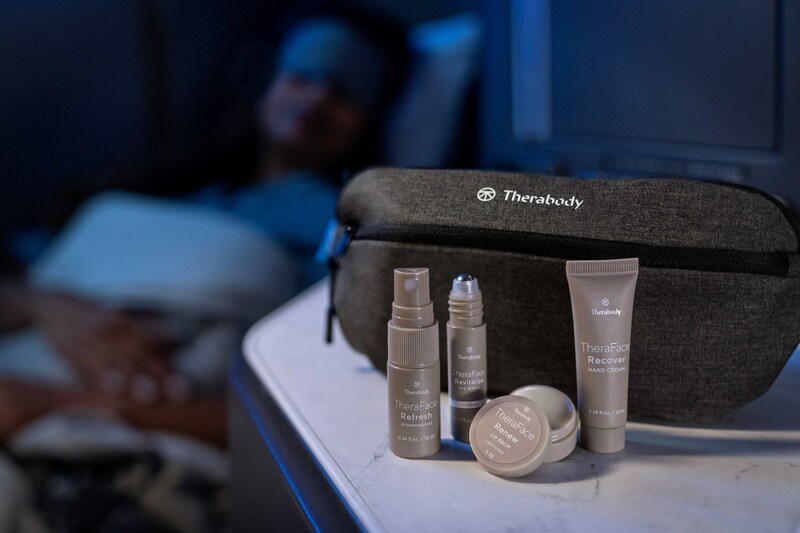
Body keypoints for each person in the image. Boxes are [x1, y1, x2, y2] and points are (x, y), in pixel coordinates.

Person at [0, 10, 407, 447]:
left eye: (344, 92)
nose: (315, 98)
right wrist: (53, 307)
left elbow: (318, 414)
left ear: (370, 118)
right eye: (302, 76)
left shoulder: (343, 227)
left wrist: (67, 404)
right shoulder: (167, 188)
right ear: (266, 80)